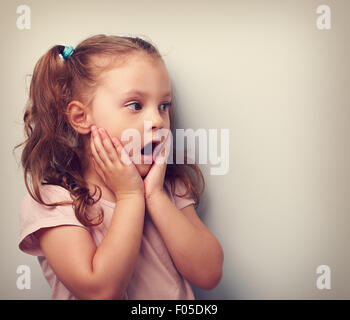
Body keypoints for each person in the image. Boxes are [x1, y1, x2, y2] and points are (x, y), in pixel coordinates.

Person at [15, 34, 224, 300]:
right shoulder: (55, 202)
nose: (157, 120)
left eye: (163, 106)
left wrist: (155, 197)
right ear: (81, 117)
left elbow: (209, 273)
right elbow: (101, 292)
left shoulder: (168, 188)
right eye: (135, 105)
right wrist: (130, 196)